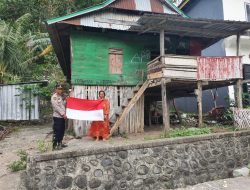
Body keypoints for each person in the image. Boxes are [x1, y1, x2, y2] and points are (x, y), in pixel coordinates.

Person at [51, 84, 67, 150]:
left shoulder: (60, 97)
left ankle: (60, 143)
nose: (60, 90)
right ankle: (55, 145)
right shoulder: (54, 97)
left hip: (62, 117)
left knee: (62, 130)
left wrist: (66, 100)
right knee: (57, 131)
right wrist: (63, 114)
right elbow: (56, 107)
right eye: (58, 89)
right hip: (57, 117)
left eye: (61, 89)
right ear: (55, 89)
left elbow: (62, 105)